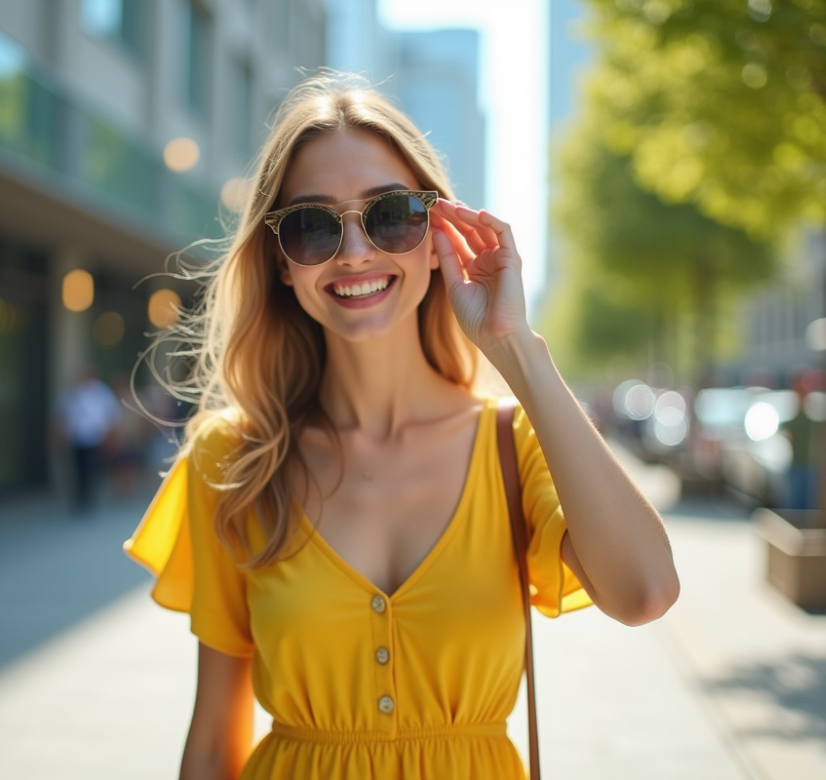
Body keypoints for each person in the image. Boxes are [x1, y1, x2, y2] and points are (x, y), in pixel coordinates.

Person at [124, 74, 680, 780]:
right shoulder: (233, 460)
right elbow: (211, 746)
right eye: (312, 225)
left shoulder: (515, 446)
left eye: (390, 216)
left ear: (436, 234)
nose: (355, 252)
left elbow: (646, 593)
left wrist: (517, 349)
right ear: (280, 262)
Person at [52, 367, 122, 513]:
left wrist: (109, 435)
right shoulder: (72, 394)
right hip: (77, 438)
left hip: (95, 438)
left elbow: (111, 414)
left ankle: (90, 497)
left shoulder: (102, 392)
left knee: (91, 469)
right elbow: (62, 416)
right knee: (78, 469)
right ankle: (80, 497)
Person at [781, 372, 822, 511]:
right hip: (797, 464)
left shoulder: (812, 420)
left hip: (809, 465)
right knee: (796, 502)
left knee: (807, 503)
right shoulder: (796, 420)